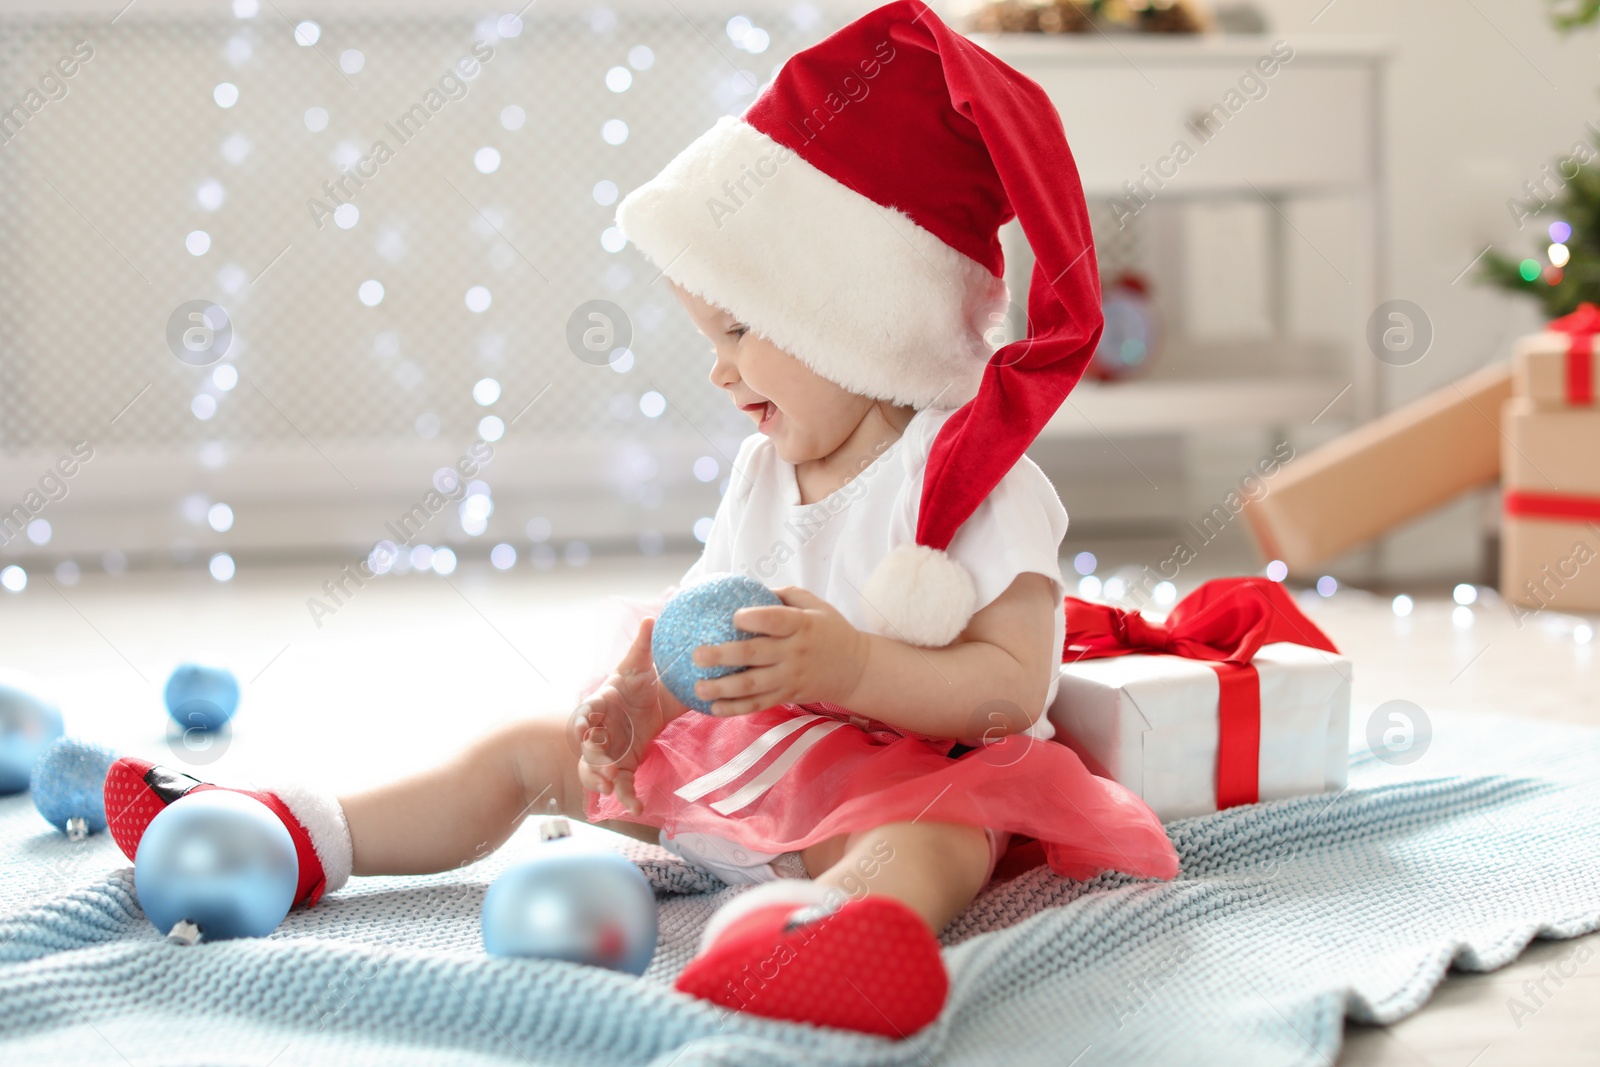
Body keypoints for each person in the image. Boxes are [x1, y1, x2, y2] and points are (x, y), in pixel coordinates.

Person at [102, 1, 1179, 1039]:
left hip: (903, 769)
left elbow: (1008, 688)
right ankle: (300, 833)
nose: (718, 370)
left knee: (937, 834)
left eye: (742, 329)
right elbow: (701, 628)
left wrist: (850, 666)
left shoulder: (975, 476)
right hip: (750, 758)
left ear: (863, 316)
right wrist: (644, 695)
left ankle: (837, 930)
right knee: (527, 746)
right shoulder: (765, 471)